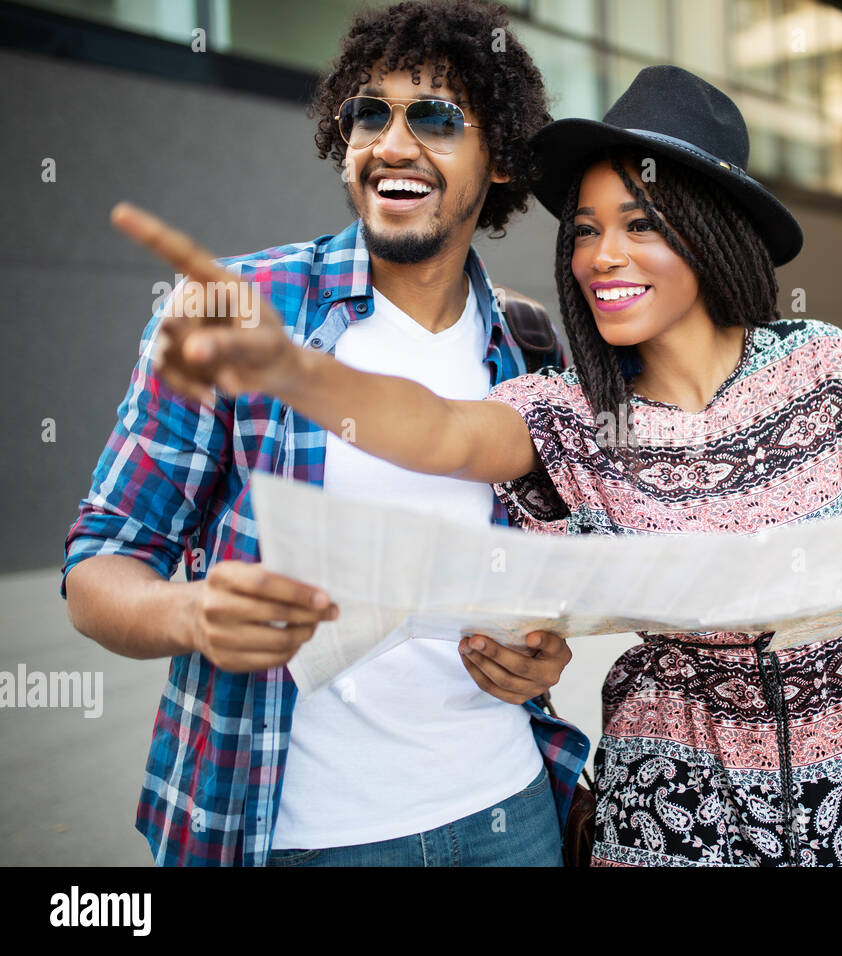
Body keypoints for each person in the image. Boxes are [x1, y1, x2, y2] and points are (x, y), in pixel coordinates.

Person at [120, 66, 842, 867]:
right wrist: (290, 366)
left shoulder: (823, 364)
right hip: (663, 809)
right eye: (584, 228)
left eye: (639, 222)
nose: (600, 255)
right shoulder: (568, 413)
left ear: (712, 230)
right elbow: (431, 427)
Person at [61, 0, 587, 867]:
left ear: (499, 163)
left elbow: (543, 575)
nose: (391, 141)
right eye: (369, 112)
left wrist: (541, 656)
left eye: (438, 117)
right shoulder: (241, 311)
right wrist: (192, 613)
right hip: (304, 836)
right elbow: (97, 568)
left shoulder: (527, 344)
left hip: (510, 809)